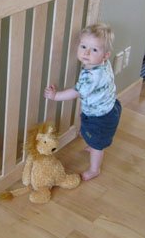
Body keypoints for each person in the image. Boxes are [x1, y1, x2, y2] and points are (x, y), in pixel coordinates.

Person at [44, 23, 122, 181]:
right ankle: (92, 143)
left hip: (100, 117)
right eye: (83, 46)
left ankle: (94, 169)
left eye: (94, 50)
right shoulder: (102, 64)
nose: (86, 52)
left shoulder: (91, 76)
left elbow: (76, 92)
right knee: (93, 135)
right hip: (110, 107)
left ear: (105, 55)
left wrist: (55, 96)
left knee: (97, 145)